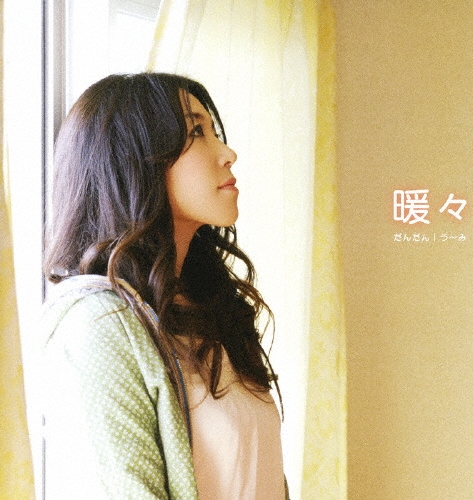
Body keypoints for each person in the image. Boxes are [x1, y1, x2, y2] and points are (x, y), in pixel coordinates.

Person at [41, 73, 288, 500]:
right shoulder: (99, 327)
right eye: (196, 133)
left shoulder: (209, 307)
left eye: (213, 131)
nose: (228, 153)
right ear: (134, 162)